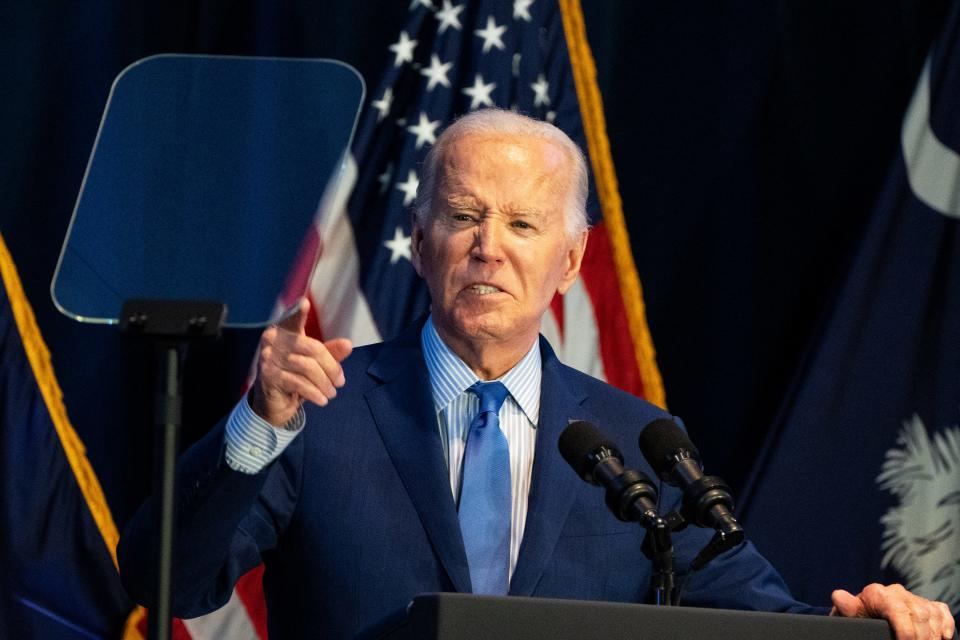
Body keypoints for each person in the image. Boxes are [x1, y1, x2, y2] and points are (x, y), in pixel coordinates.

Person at [119, 109, 955, 639]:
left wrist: (868, 619)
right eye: (463, 216)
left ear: (570, 259)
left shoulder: (637, 440)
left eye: (522, 222)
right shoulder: (319, 412)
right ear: (420, 240)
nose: (490, 247)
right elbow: (171, 582)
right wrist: (258, 426)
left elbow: (761, 618)